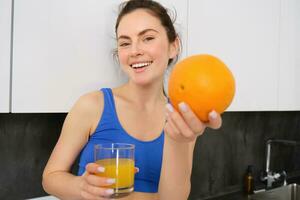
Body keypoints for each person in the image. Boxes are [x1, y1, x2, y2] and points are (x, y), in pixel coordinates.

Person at [42, 0, 222, 199]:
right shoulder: (93, 105)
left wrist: (176, 140)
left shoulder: (181, 118)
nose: (135, 50)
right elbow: (50, 177)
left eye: (148, 38)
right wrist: (80, 187)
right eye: (125, 43)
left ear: (174, 46)